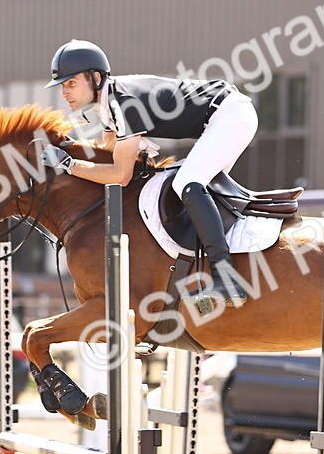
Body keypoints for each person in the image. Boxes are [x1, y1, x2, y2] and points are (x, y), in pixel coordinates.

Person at [40, 39, 256, 309]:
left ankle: (228, 278)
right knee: (194, 194)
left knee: (188, 185)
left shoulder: (123, 104)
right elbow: (108, 153)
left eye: (71, 83)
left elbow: (120, 175)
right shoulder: (109, 105)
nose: (64, 93)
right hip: (223, 117)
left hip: (230, 115)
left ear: (95, 78)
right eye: (62, 86)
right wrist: (70, 152)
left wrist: (69, 164)